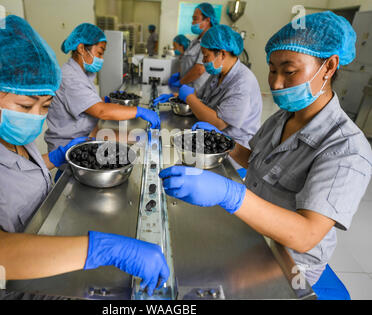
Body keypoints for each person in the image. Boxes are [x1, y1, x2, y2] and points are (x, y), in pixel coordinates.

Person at [0, 15, 169, 300]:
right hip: (17, 288)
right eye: (26, 105)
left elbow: (11, 175)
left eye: (45, 106)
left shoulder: (6, 133)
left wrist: (53, 158)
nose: (36, 118)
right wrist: (103, 249)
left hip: (47, 253)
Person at [159, 11, 372, 299]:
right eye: (272, 69)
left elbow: (306, 235)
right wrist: (225, 143)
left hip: (290, 261)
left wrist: (230, 194)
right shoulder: (283, 117)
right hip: (253, 230)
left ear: (330, 65)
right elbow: (256, 162)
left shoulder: (346, 148)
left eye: (290, 71)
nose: (276, 83)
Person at [45, 23, 160, 159]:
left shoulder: (82, 73)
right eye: (99, 53)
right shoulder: (69, 77)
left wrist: (137, 137)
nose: (101, 59)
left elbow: (94, 110)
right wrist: (139, 111)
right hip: (68, 148)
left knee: (136, 138)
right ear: (81, 48)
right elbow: (101, 111)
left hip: (86, 137)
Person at [177, 24, 262, 153]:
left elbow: (219, 123)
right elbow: (203, 98)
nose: (204, 61)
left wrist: (189, 98)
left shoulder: (242, 83)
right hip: (215, 138)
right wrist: (176, 97)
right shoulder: (219, 73)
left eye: (206, 56)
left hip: (234, 150)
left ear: (222, 54)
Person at [168, 2, 217, 93]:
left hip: (197, 91)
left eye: (195, 19)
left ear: (207, 20)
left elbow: (199, 69)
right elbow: (187, 61)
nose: (192, 22)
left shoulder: (209, 41)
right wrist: (180, 74)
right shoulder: (195, 40)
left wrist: (180, 82)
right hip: (187, 88)